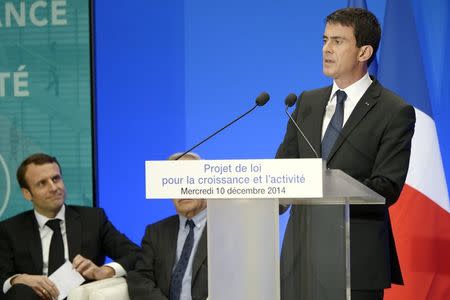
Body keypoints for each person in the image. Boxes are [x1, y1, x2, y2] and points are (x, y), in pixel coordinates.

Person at [276, 8, 416, 300]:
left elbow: (387, 187)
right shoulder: (306, 102)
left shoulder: (394, 111)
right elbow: (284, 171)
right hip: (300, 257)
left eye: (338, 41)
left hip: (356, 258)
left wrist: (326, 183)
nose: (326, 49)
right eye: (325, 39)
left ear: (364, 51)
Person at [0, 153, 140, 300]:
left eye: (56, 178)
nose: (54, 187)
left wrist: (105, 271)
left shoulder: (93, 219)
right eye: (42, 183)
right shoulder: (10, 230)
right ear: (27, 193)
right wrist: (17, 280)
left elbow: (135, 255)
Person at [127, 152, 208, 300]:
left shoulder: (226, 228)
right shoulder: (156, 232)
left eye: (190, 179)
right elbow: (140, 278)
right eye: (175, 181)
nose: (184, 187)